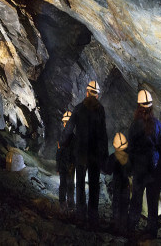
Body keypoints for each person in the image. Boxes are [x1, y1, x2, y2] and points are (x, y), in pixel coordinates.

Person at [61, 81, 108, 226]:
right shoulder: (100, 110)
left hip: (81, 154)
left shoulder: (78, 108)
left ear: (87, 92)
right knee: (94, 185)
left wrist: (63, 144)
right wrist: (104, 155)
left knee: (80, 184)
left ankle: (81, 215)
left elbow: (69, 130)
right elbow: (103, 135)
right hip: (95, 154)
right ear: (97, 95)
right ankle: (93, 216)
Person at [127, 89, 161, 238]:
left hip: (140, 169)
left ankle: (131, 227)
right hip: (154, 169)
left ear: (139, 107)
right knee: (152, 202)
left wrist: (129, 169)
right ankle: (152, 230)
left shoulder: (135, 125)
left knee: (136, 199)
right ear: (150, 107)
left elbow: (130, 149)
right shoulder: (157, 124)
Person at [104, 132, 131, 235]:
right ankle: (123, 228)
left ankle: (116, 227)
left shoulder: (113, 157)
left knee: (116, 205)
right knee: (125, 206)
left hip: (117, 184)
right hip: (126, 185)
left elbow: (108, 170)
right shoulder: (130, 155)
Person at [56, 111, 75, 213]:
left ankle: (71, 205)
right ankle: (63, 204)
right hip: (64, 165)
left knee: (70, 185)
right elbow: (58, 153)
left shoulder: (74, 138)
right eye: (65, 123)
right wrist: (58, 167)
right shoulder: (62, 137)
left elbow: (76, 153)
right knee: (63, 185)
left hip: (70, 165)